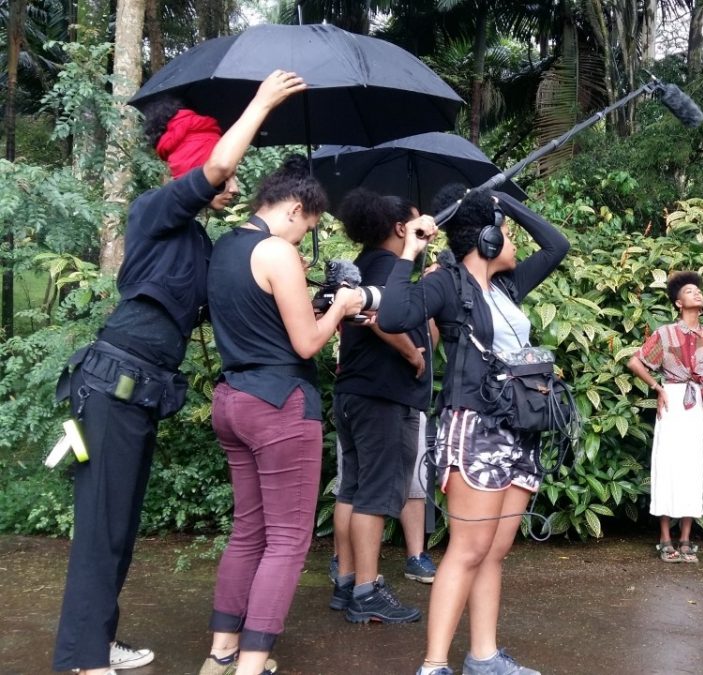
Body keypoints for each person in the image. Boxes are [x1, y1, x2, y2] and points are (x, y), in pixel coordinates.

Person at [51, 71, 304, 675]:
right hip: (110, 385)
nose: (234, 184)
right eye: (226, 174)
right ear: (195, 167)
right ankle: (82, 661)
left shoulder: (195, 241)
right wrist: (262, 103)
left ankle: (94, 640)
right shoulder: (154, 212)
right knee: (101, 529)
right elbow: (217, 169)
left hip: (140, 394)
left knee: (120, 527)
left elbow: (244, 307)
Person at [377, 185, 569, 675]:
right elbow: (395, 314)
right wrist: (410, 252)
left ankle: (483, 657)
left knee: (496, 550)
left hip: (519, 429)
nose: (514, 242)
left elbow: (557, 246)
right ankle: (433, 665)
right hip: (475, 427)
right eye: (505, 234)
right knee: (467, 549)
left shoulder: (506, 288)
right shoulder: (448, 283)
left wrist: (503, 199)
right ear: (485, 240)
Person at [201, 156, 363, 675]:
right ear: (296, 209)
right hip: (279, 405)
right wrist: (341, 306)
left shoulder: (226, 246)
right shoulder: (277, 251)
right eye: (308, 227)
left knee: (248, 530)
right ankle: (252, 664)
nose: (305, 237)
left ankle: (221, 654)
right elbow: (307, 343)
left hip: (232, 398)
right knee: (288, 539)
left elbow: (259, 324)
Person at [328, 188, 435, 625]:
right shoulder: (391, 267)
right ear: (399, 228)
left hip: (354, 394)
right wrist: (412, 353)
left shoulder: (366, 264)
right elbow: (378, 318)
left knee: (352, 488)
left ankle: (348, 581)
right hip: (382, 396)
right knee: (375, 492)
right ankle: (368, 591)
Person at [626, 271, 703, 563]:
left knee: (695, 468)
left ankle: (686, 539)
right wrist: (657, 387)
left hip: (700, 404)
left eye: (699, 291)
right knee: (668, 465)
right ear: (678, 303)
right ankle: (665, 539)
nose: (697, 294)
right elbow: (635, 362)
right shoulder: (665, 334)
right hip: (673, 400)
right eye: (690, 291)